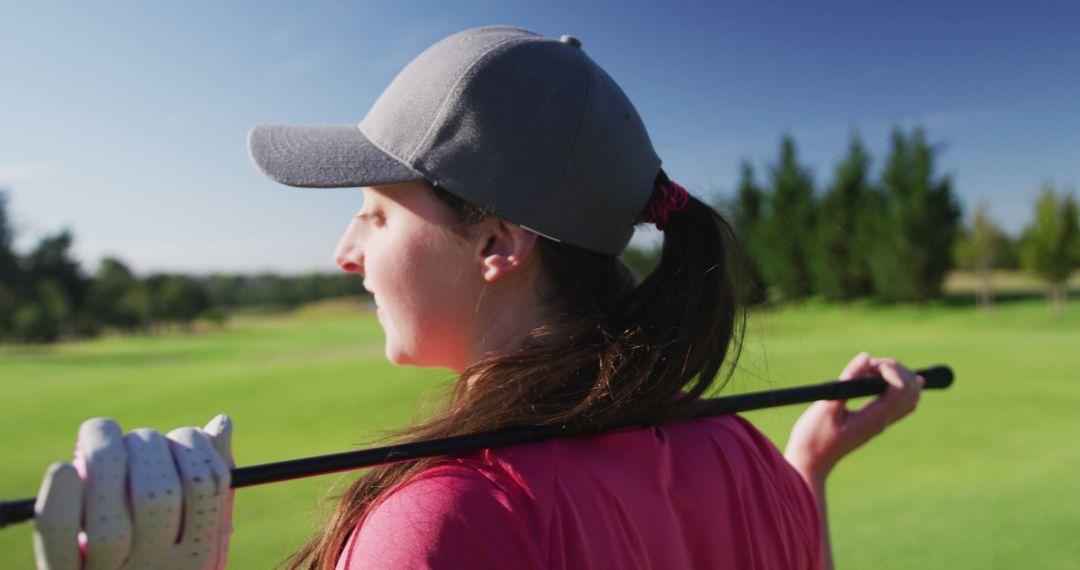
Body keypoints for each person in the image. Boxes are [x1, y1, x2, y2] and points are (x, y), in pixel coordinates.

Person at [32, 26, 923, 570]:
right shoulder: (750, 459)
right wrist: (804, 472)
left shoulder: (445, 526)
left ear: (499, 242)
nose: (345, 252)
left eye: (375, 215)